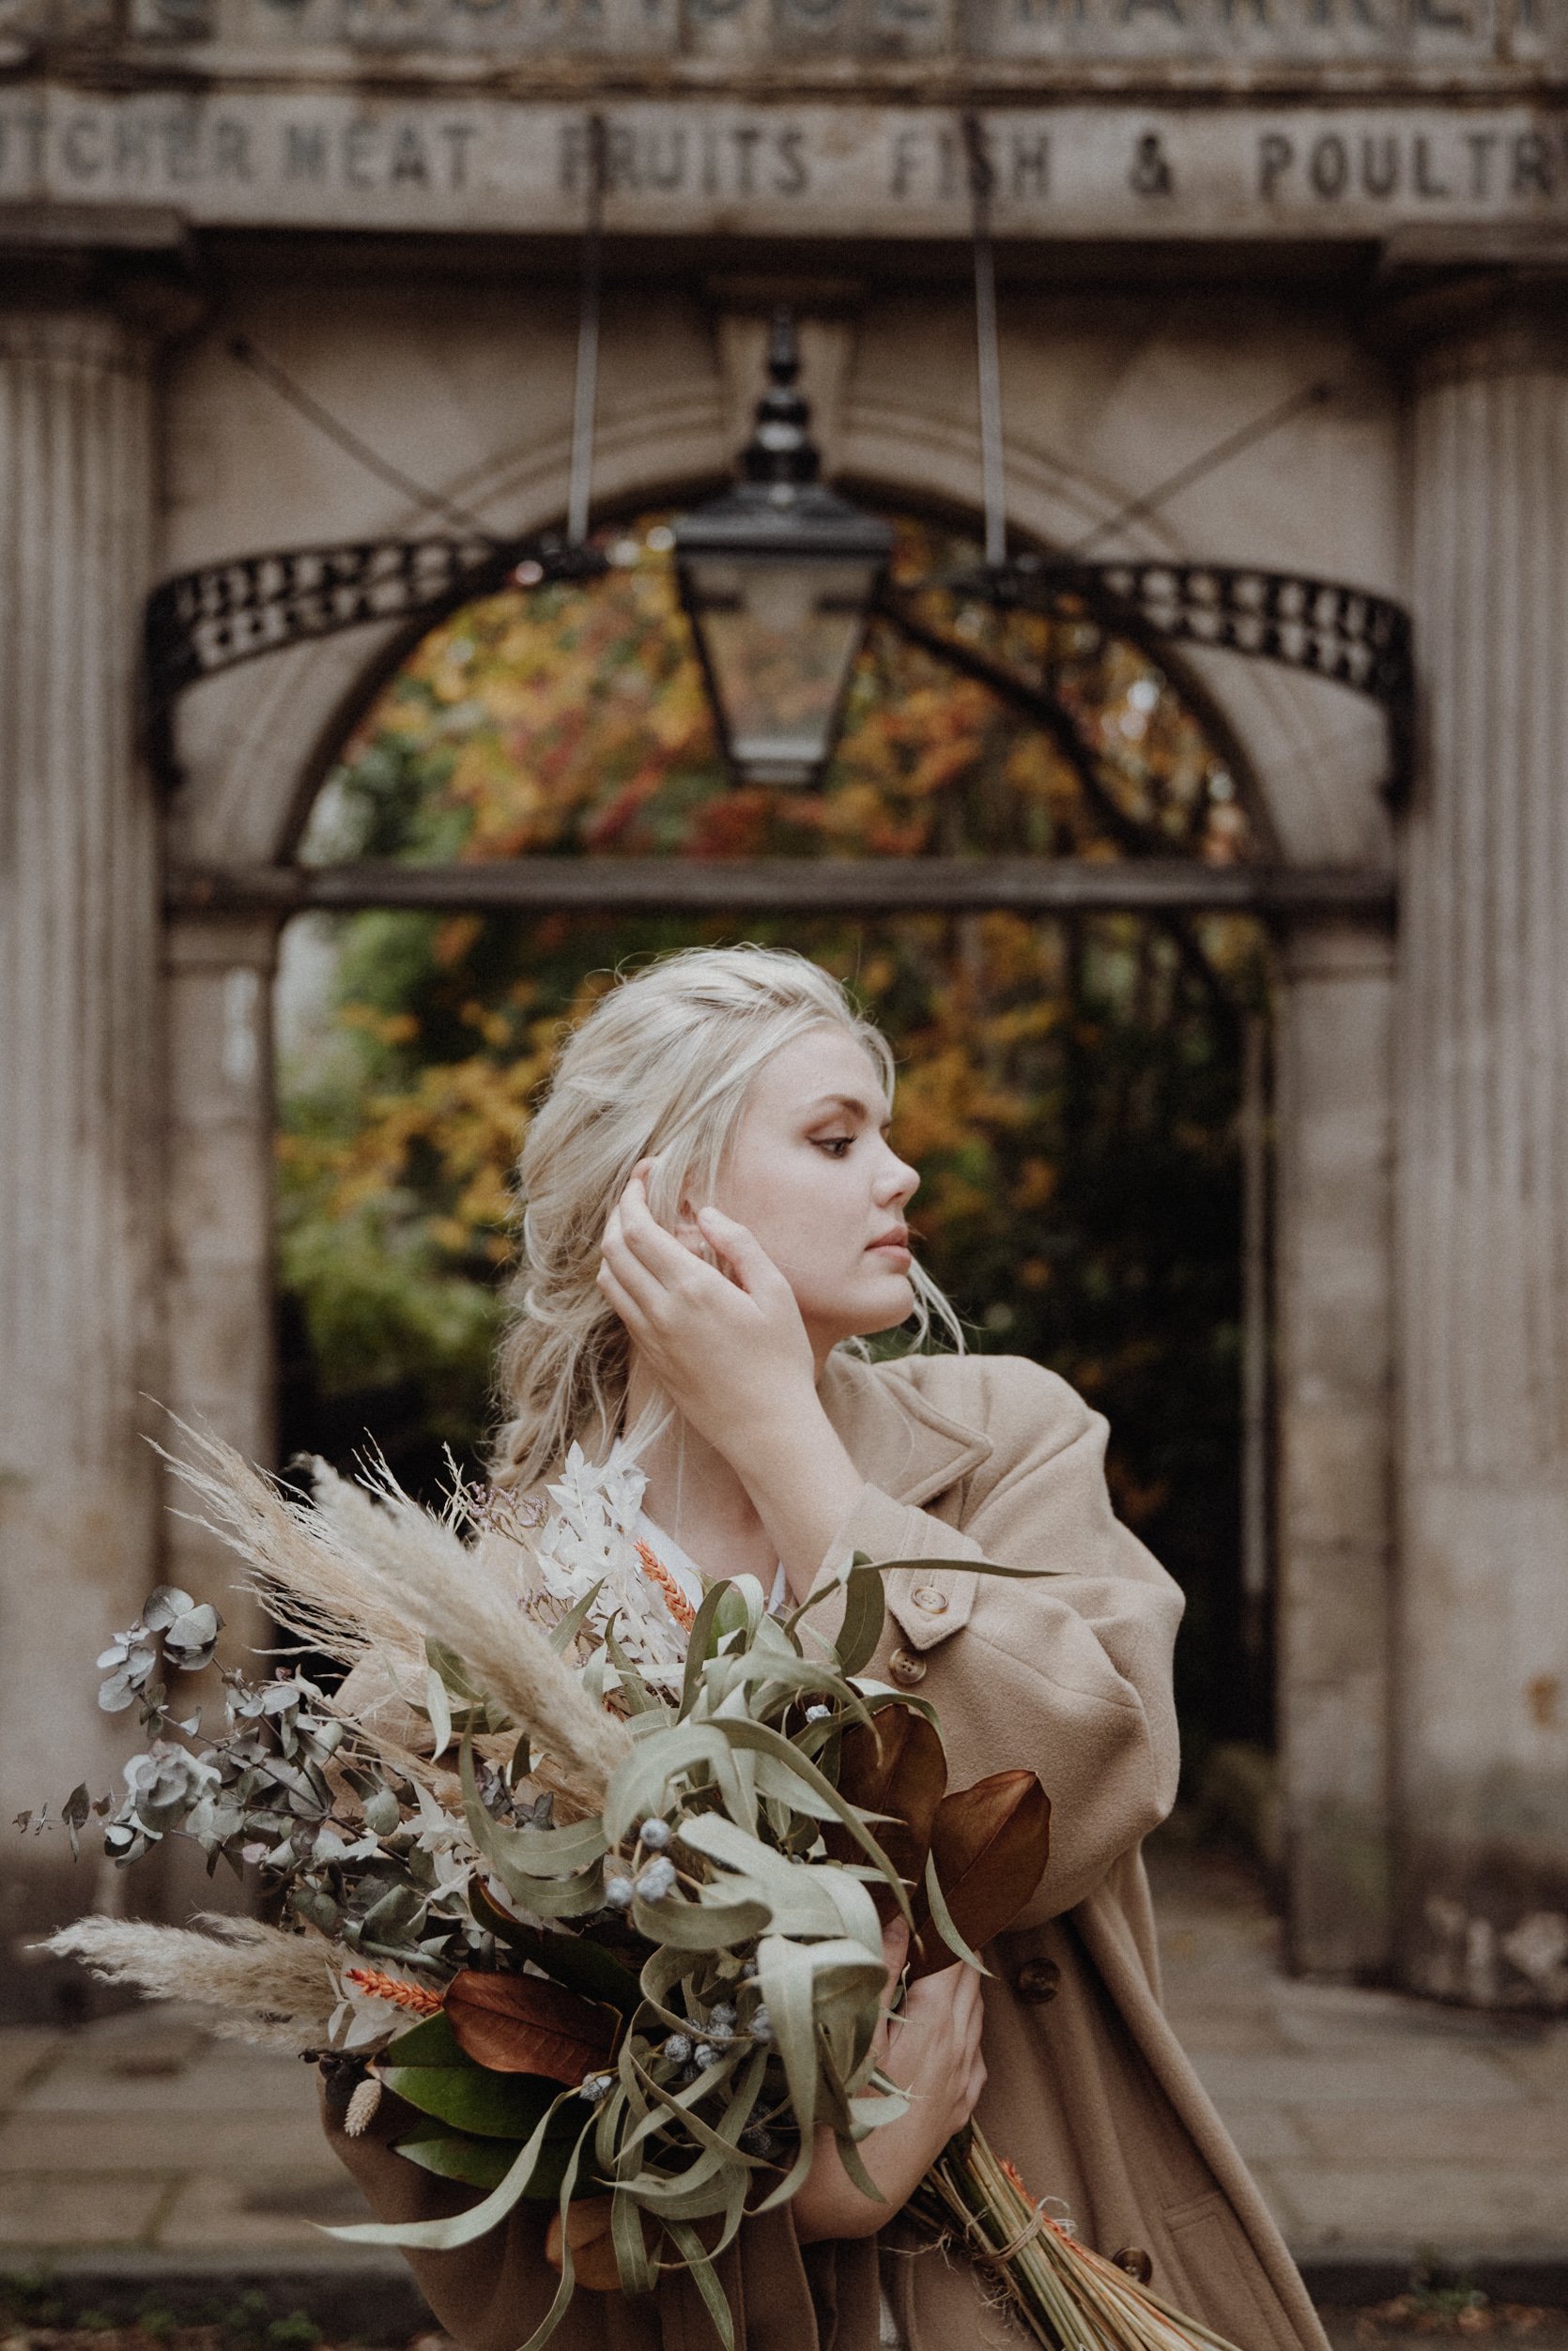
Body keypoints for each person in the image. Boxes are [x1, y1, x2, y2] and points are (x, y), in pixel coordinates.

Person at [324, 945, 1329, 2351]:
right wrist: (799, 2200)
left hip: (1044, 2273)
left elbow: (1086, 1788)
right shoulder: (478, 1618)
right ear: (664, 1198)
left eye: (886, 1132)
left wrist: (783, 1443)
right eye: (836, 1137)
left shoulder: (1006, 1437)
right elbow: (398, 2082)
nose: (901, 1173)